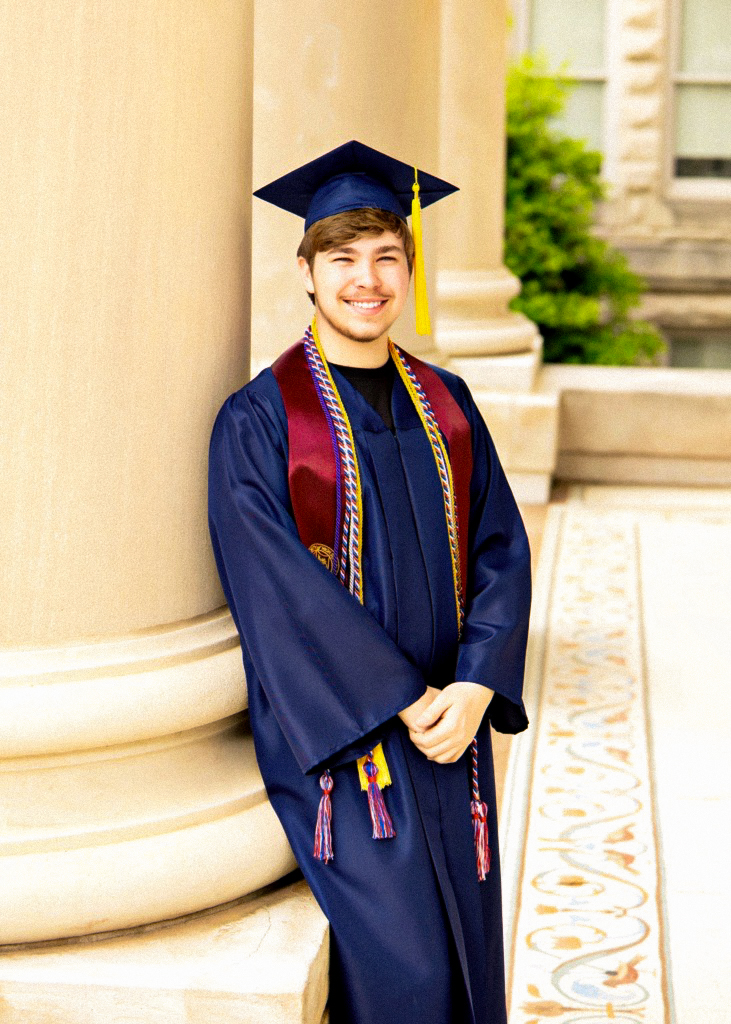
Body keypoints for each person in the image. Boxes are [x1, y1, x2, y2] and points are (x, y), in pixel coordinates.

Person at [208, 140, 532, 1024]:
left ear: (408, 271)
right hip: (346, 741)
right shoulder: (260, 420)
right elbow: (276, 591)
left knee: (467, 956)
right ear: (307, 273)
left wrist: (474, 682)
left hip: (449, 730)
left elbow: (501, 548)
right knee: (411, 978)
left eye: (386, 257)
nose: (367, 278)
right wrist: (397, 699)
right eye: (342, 258)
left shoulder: (449, 405)